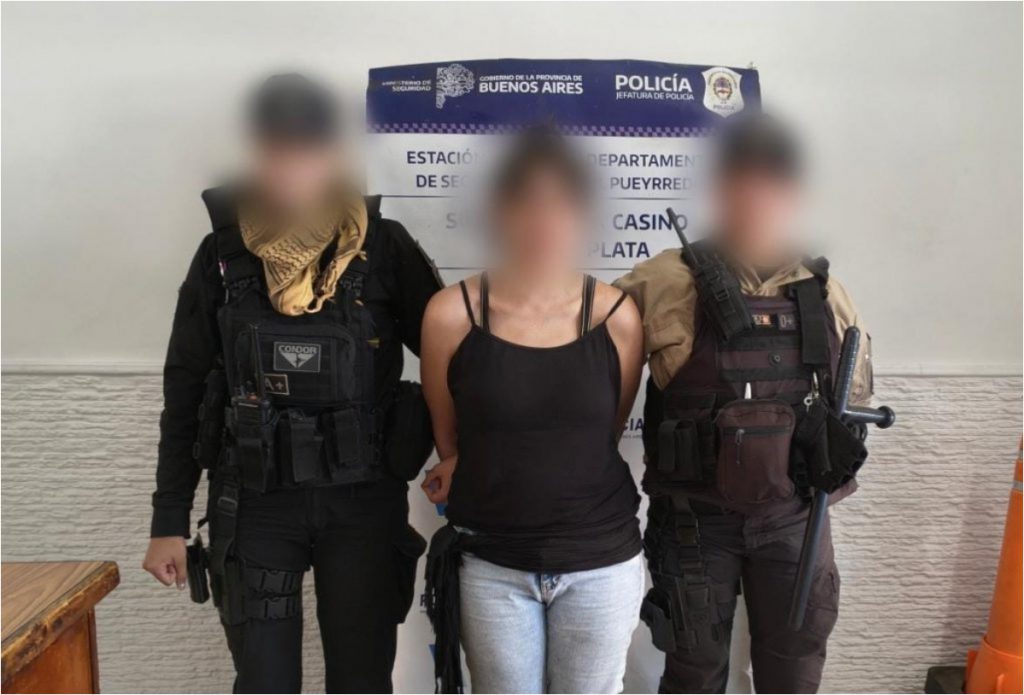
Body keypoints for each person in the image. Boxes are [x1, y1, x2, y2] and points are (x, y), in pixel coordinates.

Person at [141, 73, 443, 694]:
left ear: (331, 153)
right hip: (256, 501)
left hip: (362, 501)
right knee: (264, 682)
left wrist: (460, 452)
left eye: (305, 149)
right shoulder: (222, 255)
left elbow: (448, 355)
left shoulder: (381, 247)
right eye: (276, 149)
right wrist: (168, 518)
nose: (290, 166)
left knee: (361, 681)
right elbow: (186, 387)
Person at [615, 113, 874, 694]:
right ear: (720, 189)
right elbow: (591, 388)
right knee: (694, 674)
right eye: (742, 182)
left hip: (795, 519)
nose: (755, 199)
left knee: (793, 671)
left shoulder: (827, 294)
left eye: (770, 185)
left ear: (793, 195)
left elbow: (855, 402)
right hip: (693, 522)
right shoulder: (661, 282)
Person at [418, 127, 646, 694]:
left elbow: (606, 430)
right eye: (527, 202)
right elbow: (450, 438)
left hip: (600, 560)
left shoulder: (618, 316)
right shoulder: (449, 315)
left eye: (561, 204)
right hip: (492, 562)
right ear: (499, 211)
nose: (544, 221)